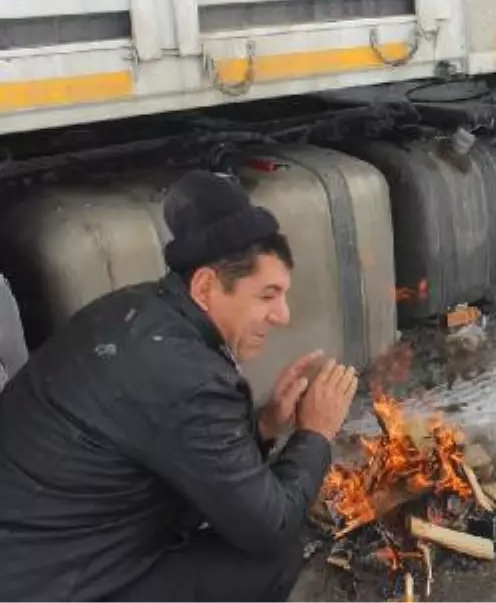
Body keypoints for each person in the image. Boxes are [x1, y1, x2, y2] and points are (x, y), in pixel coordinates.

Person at [0, 170, 359, 603]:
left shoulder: (135, 307)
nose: (283, 315)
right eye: (266, 295)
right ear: (206, 286)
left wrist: (263, 427)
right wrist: (315, 434)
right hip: (53, 584)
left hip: (37, 553)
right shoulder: (188, 379)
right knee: (271, 559)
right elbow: (270, 527)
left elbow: (185, 455)